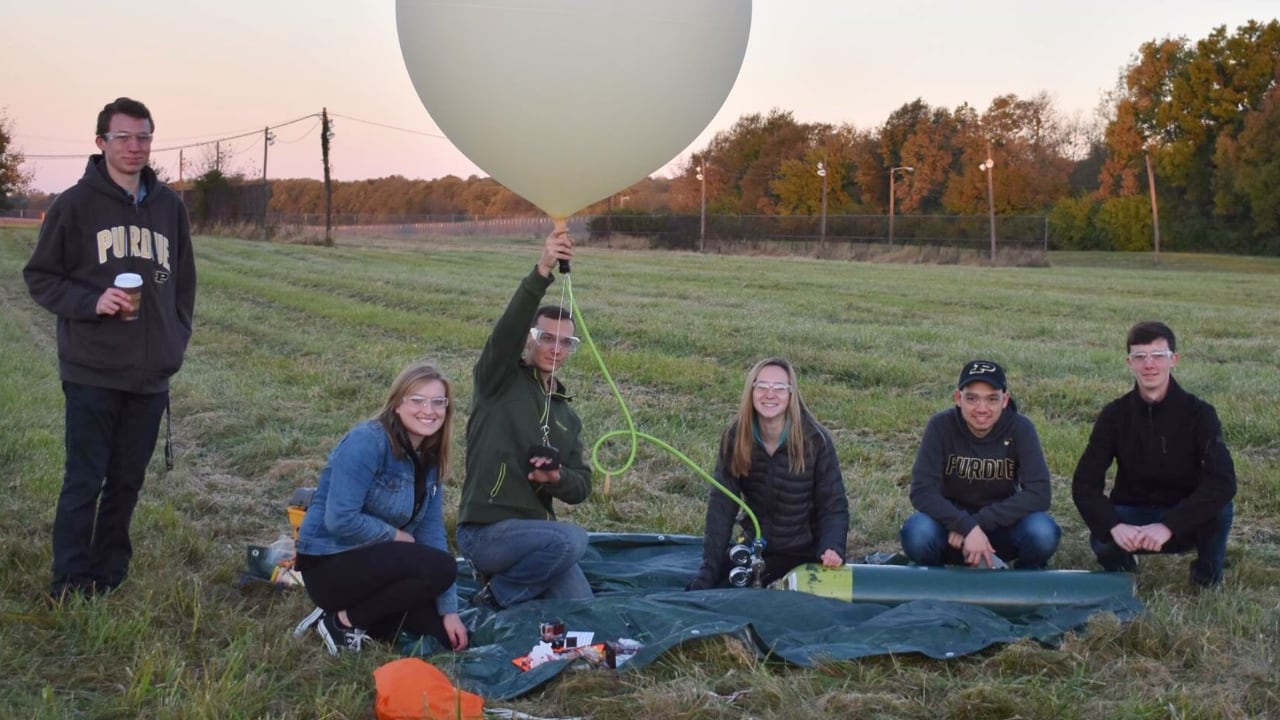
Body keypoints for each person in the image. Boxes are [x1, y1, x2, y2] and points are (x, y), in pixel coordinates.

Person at [23, 97, 197, 600]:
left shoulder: (169, 207)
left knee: (126, 482)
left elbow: (183, 281)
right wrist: (90, 299)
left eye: (144, 136)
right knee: (85, 480)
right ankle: (69, 580)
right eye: (123, 137)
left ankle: (108, 574)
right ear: (101, 143)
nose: (135, 146)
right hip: (92, 370)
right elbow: (39, 277)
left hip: (149, 375)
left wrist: (174, 340)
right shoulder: (74, 205)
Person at [455, 229, 593, 609]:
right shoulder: (497, 381)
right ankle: (496, 597)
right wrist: (543, 270)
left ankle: (512, 585)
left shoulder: (566, 414)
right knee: (573, 541)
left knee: (582, 610)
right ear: (529, 339)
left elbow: (583, 484)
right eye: (546, 337)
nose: (556, 348)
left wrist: (556, 478)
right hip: (486, 533)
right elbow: (505, 333)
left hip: (539, 536)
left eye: (566, 342)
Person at [292, 361, 468, 655]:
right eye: (418, 400)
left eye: (438, 402)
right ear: (398, 404)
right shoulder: (367, 441)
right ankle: (341, 621)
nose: (429, 410)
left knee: (439, 634)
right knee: (441, 567)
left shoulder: (430, 458)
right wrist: (396, 537)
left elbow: (433, 534)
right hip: (330, 563)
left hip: (377, 566)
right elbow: (340, 519)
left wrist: (450, 611)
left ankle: (362, 614)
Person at [1072, 321, 1236, 587]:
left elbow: (1223, 482)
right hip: (1134, 515)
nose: (1149, 365)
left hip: (1184, 517)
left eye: (1158, 356)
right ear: (1130, 363)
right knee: (1101, 537)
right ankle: (1123, 570)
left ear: (1174, 360)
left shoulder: (1200, 413)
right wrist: (1115, 525)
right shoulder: (1114, 415)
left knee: (1220, 510)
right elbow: (1084, 483)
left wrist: (1169, 525)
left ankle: (1207, 577)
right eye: (1140, 357)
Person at [689, 358, 849, 589]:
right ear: (751, 392)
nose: (770, 395)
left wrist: (832, 546)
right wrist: (707, 571)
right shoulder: (736, 437)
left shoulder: (816, 440)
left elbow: (833, 504)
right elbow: (721, 507)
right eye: (762, 387)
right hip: (757, 548)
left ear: (791, 394)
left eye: (779, 388)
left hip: (801, 554)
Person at [900, 360, 1060, 569]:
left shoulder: (1021, 429)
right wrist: (964, 525)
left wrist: (977, 524)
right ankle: (935, 582)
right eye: (972, 398)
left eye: (992, 399)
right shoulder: (940, 426)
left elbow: (1040, 493)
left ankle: (1022, 584)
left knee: (1043, 533)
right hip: (950, 528)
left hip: (1002, 524)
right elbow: (922, 491)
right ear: (958, 398)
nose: (982, 409)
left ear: (1005, 400)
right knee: (917, 534)